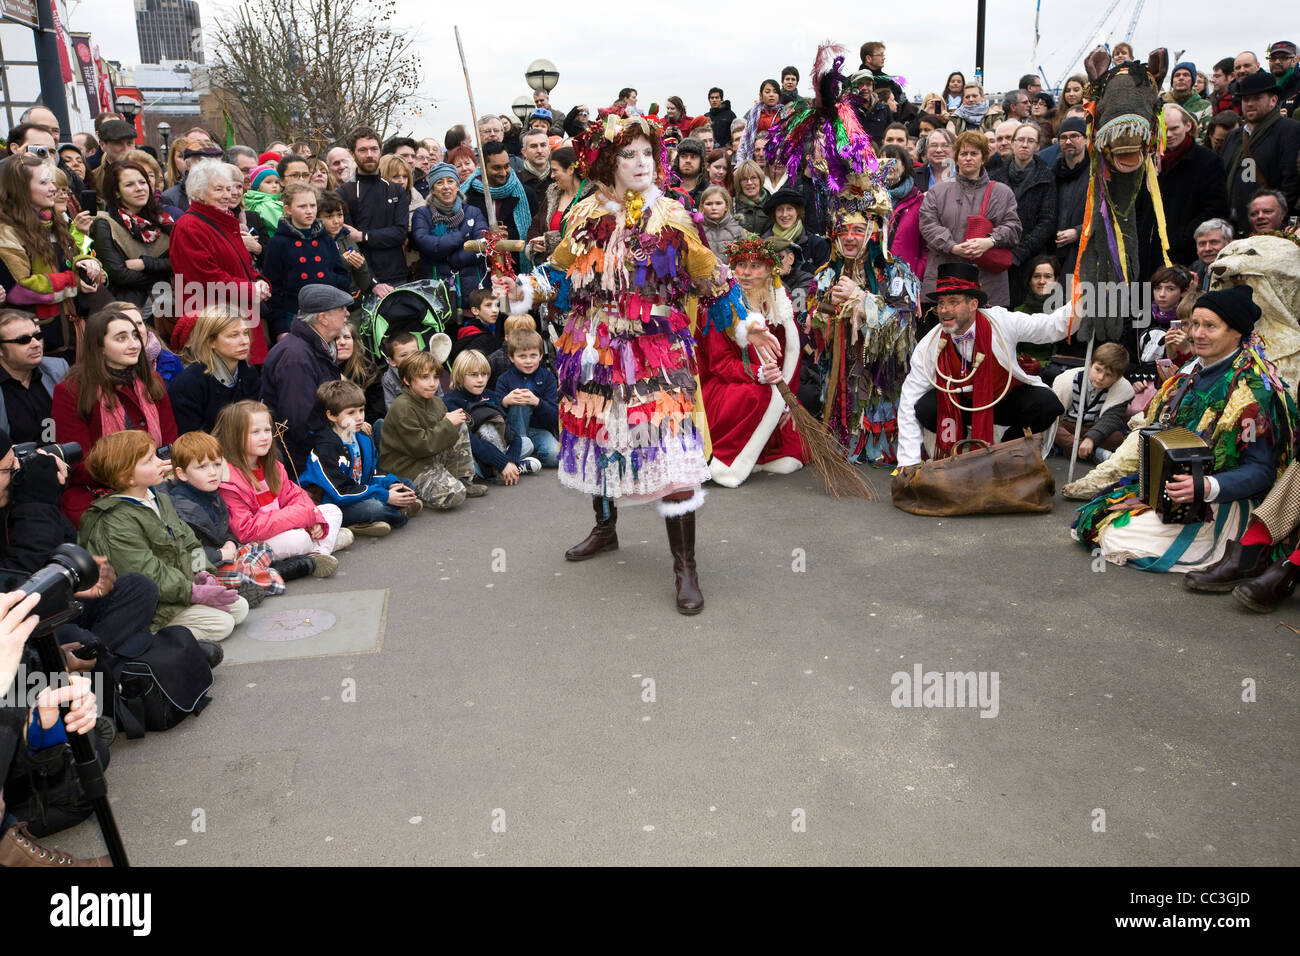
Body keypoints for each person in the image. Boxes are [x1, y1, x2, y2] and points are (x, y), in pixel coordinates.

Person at [497, 106, 782, 613]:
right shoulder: (584, 216)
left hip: (658, 352)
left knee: (669, 452)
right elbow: (559, 273)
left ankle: (685, 567)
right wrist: (521, 288)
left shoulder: (674, 216)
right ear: (608, 163)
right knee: (602, 436)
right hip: (595, 348)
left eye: (648, 152)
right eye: (628, 154)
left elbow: (713, 279)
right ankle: (605, 528)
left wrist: (745, 324)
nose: (641, 161)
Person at [1070, 286, 1296, 573]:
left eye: (1210, 326)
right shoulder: (1191, 373)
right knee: (1097, 517)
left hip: (1223, 499)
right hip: (1178, 494)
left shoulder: (1252, 393)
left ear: (1236, 333)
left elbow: (1261, 471)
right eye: (1195, 324)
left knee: (1118, 536)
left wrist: (1205, 486)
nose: (1197, 334)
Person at [79, 429, 249, 639]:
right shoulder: (114, 521)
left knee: (239, 607)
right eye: (150, 460)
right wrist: (192, 592)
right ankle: (154, 637)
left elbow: (190, 542)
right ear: (127, 477)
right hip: (153, 609)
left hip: (179, 591)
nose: (161, 462)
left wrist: (202, 574)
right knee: (222, 623)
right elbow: (148, 573)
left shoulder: (158, 498)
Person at [895, 262, 1068, 469]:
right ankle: (954, 455)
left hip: (1002, 400)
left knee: (1047, 403)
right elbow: (909, 397)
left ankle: (1005, 451)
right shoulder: (930, 344)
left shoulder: (1002, 322)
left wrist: (1082, 301)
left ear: (973, 304)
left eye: (953, 302)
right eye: (941, 303)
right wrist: (909, 462)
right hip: (960, 405)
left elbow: (1049, 327)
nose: (944, 310)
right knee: (924, 407)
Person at [51, 307, 177, 526]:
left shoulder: (152, 380)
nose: (134, 344)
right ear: (99, 346)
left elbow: (169, 441)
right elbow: (78, 464)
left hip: (158, 480)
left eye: (135, 335)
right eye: (121, 338)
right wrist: (133, 473)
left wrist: (160, 467)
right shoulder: (72, 390)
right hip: (103, 489)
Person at [700, 236, 805, 487]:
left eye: (755, 266)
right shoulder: (721, 308)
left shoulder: (778, 305)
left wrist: (788, 398)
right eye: (740, 266)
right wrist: (758, 373)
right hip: (726, 382)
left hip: (771, 381)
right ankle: (725, 459)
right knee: (755, 396)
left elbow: (792, 356)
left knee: (792, 425)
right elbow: (719, 364)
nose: (746, 273)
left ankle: (764, 452)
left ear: (770, 271)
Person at [211, 399, 351, 578]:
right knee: (298, 539)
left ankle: (317, 554)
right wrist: (302, 518)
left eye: (267, 430)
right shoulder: (228, 479)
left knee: (332, 510)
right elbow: (246, 530)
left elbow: (295, 497)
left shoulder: (273, 466)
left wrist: (313, 519)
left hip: (283, 526)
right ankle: (323, 545)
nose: (264, 437)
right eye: (255, 432)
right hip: (253, 543)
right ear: (235, 436)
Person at [166, 160, 271, 364]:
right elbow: (205, 277)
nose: (228, 194)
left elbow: (243, 265)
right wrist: (250, 290)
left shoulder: (224, 221)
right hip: (215, 325)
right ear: (199, 192)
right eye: (219, 189)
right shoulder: (189, 227)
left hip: (241, 317)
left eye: (229, 188)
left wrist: (259, 281)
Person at [0, 155, 105, 355]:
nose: (53, 188)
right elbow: (19, 288)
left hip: (76, 333)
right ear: (20, 188)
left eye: (51, 181)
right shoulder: (7, 232)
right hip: (40, 341)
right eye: (43, 182)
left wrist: (87, 264)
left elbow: (72, 258)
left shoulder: (57, 222)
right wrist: (73, 281)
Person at [299, 379, 421, 536]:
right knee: (374, 507)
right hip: (332, 503)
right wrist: (385, 495)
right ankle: (395, 513)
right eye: (351, 413)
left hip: (358, 492)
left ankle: (388, 510)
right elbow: (340, 493)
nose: (358, 418)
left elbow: (372, 474)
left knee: (405, 483)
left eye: (361, 410)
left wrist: (391, 484)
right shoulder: (325, 448)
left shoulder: (363, 438)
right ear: (331, 415)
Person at [918, 130, 1021, 309]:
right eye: (963, 153)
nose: (968, 158)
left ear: (984, 157)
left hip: (988, 283)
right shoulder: (938, 192)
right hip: (945, 277)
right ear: (956, 158)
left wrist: (990, 241)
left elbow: (1013, 227)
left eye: (974, 153)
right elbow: (928, 225)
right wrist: (952, 246)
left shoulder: (1002, 192)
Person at [259, 284, 349, 476]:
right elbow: (298, 421)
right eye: (341, 309)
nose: (347, 314)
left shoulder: (312, 348)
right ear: (323, 318)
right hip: (301, 465)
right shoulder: (296, 357)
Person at [377, 349, 483, 508]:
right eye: (424, 377)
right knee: (455, 495)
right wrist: (447, 423)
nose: (432, 383)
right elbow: (420, 446)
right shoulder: (402, 407)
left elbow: (439, 435)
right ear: (407, 380)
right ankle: (414, 494)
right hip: (407, 467)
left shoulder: (436, 402)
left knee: (458, 424)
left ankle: (461, 479)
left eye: (436, 377)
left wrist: (455, 420)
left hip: (428, 458)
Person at [1137, 104, 1228, 276]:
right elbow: (1140, 206)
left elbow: (1214, 209)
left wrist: (1179, 239)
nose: (1169, 135)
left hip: (1184, 256)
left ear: (1188, 126)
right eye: (1164, 129)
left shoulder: (1208, 161)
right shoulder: (1149, 162)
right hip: (1148, 255)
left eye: (1174, 128)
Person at [261, 183, 352, 342]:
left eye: (313, 205)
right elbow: (273, 289)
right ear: (288, 209)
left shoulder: (326, 239)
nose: (309, 211)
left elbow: (342, 275)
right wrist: (280, 327)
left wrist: (329, 281)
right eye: (302, 206)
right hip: (295, 315)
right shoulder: (278, 243)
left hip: (327, 312)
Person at [86, 160, 172, 313]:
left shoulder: (164, 220)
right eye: (129, 185)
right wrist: (166, 275)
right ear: (116, 191)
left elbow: (179, 262)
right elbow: (119, 275)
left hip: (168, 307)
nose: (139, 188)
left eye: (142, 182)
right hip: (129, 311)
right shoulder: (105, 224)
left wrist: (146, 264)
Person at [443, 349, 540, 483]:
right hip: (474, 454)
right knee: (468, 462)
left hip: (498, 446)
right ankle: (510, 469)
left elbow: (511, 432)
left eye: (484, 374)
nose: (480, 380)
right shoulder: (451, 401)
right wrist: (502, 462)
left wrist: (510, 461)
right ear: (459, 375)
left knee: (526, 443)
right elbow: (472, 442)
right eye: (473, 375)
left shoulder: (490, 395)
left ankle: (510, 468)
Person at [990, 123, 1057, 308]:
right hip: (1000, 255)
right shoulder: (995, 177)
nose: (1025, 145)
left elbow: (1047, 221)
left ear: (1037, 146)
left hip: (1032, 259)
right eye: (1020, 140)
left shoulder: (1047, 177)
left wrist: (1019, 253)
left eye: (1030, 141)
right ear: (1012, 143)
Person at [1223, 72, 1300, 233]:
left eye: (1257, 98)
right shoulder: (1233, 136)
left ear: (1273, 100)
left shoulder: (1289, 130)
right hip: (1233, 226)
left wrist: (1276, 219)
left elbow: (1291, 181)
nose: (1250, 103)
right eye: (1245, 99)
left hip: (1270, 227)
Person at [167, 306, 262, 433]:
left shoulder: (250, 374)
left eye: (245, 333)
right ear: (211, 341)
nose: (244, 341)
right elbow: (192, 441)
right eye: (234, 335)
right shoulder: (188, 384)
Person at [337, 126, 407, 291]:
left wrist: (363, 235)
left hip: (398, 276)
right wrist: (373, 283)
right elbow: (349, 243)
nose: (369, 155)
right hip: (364, 280)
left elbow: (400, 233)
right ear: (352, 154)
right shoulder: (344, 193)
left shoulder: (395, 190)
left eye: (374, 149)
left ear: (380, 151)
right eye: (363, 150)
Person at [411, 161, 484, 301]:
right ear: (432, 189)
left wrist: (453, 258)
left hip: (473, 290)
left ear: (457, 186)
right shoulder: (423, 214)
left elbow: (481, 246)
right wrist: (461, 236)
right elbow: (428, 245)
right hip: (437, 289)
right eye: (439, 182)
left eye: (450, 181)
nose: (446, 187)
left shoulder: (473, 212)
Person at [1051, 342, 1134, 461]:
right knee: (1051, 427)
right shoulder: (1067, 380)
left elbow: (1111, 419)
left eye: (1108, 375)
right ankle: (1090, 452)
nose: (1100, 377)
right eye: (1098, 370)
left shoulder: (1122, 390)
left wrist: (1091, 438)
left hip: (1092, 428)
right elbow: (1053, 415)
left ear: (1117, 377)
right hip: (1067, 424)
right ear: (1090, 364)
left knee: (1116, 438)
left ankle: (1067, 449)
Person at [461, 141, 537, 270]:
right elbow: (460, 232)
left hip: (516, 269)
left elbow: (534, 231)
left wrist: (510, 235)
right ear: (483, 167)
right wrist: (483, 234)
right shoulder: (466, 195)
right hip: (479, 269)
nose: (503, 173)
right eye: (496, 168)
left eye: (506, 166)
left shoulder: (526, 194)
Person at [493, 330, 559, 470]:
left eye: (533, 355)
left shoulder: (548, 378)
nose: (528, 361)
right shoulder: (504, 379)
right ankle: (521, 448)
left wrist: (537, 402)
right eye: (522, 356)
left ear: (540, 356)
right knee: (519, 398)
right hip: (514, 433)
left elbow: (554, 417)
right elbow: (494, 413)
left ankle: (524, 457)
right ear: (511, 357)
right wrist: (505, 401)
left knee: (555, 456)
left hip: (539, 430)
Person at [0, 310, 67, 444]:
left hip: (64, 459)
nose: (36, 344)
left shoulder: (58, 370)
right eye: (23, 340)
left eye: (38, 336)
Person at [525, 147, 589, 266]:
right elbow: (535, 225)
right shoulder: (552, 193)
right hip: (547, 269)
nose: (552, 176)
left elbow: (585, 236)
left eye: (555, 170)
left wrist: (549, 241)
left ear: (570, 169)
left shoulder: (590, 198)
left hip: (575, 271)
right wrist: (534, 243)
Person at [317, 191, 378, 303]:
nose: (336, 221)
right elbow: (320, 279)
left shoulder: (347, 238)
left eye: (339, 215)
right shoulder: (315, 243)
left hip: (354, 305)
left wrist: (361, 266)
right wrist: (342, 263)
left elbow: (364, 284)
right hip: (330, 306)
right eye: (329, 216)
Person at [1052, 116, 1090, 273]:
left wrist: (1078, 231)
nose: (1068, 141)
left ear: (1086, 140)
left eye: (1074, 136)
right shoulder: (1052, 174)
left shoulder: (1097, 175)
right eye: (1063, 137)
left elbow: (1105, 214)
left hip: (1085, 252)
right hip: (1054, 252)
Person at [762, 187, 829, 273]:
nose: (784, 214)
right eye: (779, 210)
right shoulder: (763, 243)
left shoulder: (817, 244)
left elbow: (823, 281)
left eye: (789, 209)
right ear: (774, 214)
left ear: (798, 212)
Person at [884, 145, 927, 280]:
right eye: (885, 160)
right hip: (875, 278)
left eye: (895, 160)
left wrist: (917, 271)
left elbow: (927, 246)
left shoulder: (919, 201)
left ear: (905, 165)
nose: (890, 164)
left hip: (906, 279)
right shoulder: (869, 200)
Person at [738, 80, 784, 161]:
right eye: (767, 92)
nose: (771, 95)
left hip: (776, 158)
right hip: (757, 156)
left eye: (775, 92)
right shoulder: (754, 113)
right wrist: (740, 162)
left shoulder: (784, 114)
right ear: (761, 95)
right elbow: (745, 138)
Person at [699, 185, 745, 258]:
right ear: (702, 207)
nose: (714, 208)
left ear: (726, 206)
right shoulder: (697, 229)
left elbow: (744, 256)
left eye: (718, 203)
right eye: (709, 204)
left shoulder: (737, 229)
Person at [1191, 218, 1233, 291]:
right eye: (1202, 244)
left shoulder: (1239, 271)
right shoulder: (1194, 269)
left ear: (1229, 243)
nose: (1207, 249)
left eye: (1214, 242)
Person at [731, 159, 771, 234]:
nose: (749, 183)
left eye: (753, 178)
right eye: (744, 179)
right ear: (739, 183)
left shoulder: (772, 203)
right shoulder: (732, 204)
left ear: (760, 180)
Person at [914, 128, 955, 192]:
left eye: (945, 145)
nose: (939, 150)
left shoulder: (965, 174)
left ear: (954, 150)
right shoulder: (913, 176)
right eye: (934, 145)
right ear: (926, 150)